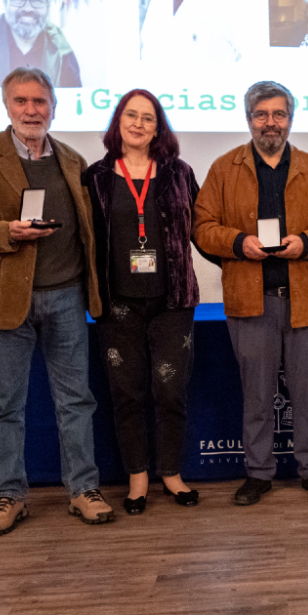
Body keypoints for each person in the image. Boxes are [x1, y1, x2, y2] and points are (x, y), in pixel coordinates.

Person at [0, 67, 112, 535]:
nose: (31, 110)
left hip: (67, 296)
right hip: (5, 300)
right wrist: (4, 232)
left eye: (40, 101)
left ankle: (82, 490)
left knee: (76, 401)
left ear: (53, 105)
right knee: (6, 406)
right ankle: (8, 495)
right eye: (22, 101)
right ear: (7, 105)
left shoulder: (73, 160)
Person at [194, 81, 308, 506]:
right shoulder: (224, 169)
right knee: (258, 396)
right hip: (250, 300)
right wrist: (238, 242)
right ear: (248, 119)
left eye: (279, 114)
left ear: (290, 119)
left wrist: (307, 242)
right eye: (262, 114)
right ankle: (258, 473)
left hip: (304, 300)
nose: (270, 123)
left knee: (307, 395)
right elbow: (202, 227)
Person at [84, 89, 214, 514]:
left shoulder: (179, 173)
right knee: (127, 393)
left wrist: (239, 252)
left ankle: (171, 474)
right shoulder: (97, 177)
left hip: (172, 300)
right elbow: (84, 241)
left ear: (159, 127)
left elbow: (203, 229)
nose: (139, 124)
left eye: (148, 118)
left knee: (170, 389)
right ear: (117, 121)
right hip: (117, 303)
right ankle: (137, 478)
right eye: (131, 115)